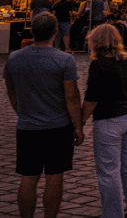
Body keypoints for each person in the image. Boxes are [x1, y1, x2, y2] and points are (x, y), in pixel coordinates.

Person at [3, 12, 84, 218]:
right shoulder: (64, 60)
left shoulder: (14, 58)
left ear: (32, 30)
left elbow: (11, 91)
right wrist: (78, 125)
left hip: (28, 126)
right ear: (55, 32)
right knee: (55, 176)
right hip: (58, 126)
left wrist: (21, 110)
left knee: (28, 176)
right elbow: (72, 97)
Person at [82, 24, 127, 218]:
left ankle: (112, 213)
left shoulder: (99, 65)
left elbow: (92, 99)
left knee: (109, 170)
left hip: (109, 120)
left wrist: (80, 123)